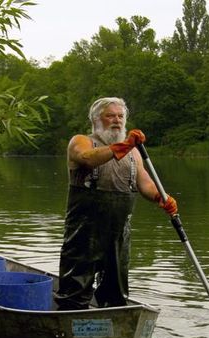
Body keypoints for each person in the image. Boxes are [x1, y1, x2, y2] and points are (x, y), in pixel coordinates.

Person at [54, 97, 178, 310]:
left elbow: (145, 183)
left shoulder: (134, 152)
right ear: (95, 119)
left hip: (119, 232)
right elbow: (88, 158)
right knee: (75, 287)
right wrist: (125, 144)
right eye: (110, 115)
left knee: (116, 290)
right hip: (84, 230)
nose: (117, 120)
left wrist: (162, 196)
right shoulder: (81, 141)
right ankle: (70, 319)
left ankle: (114, 321)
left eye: (121, 116)